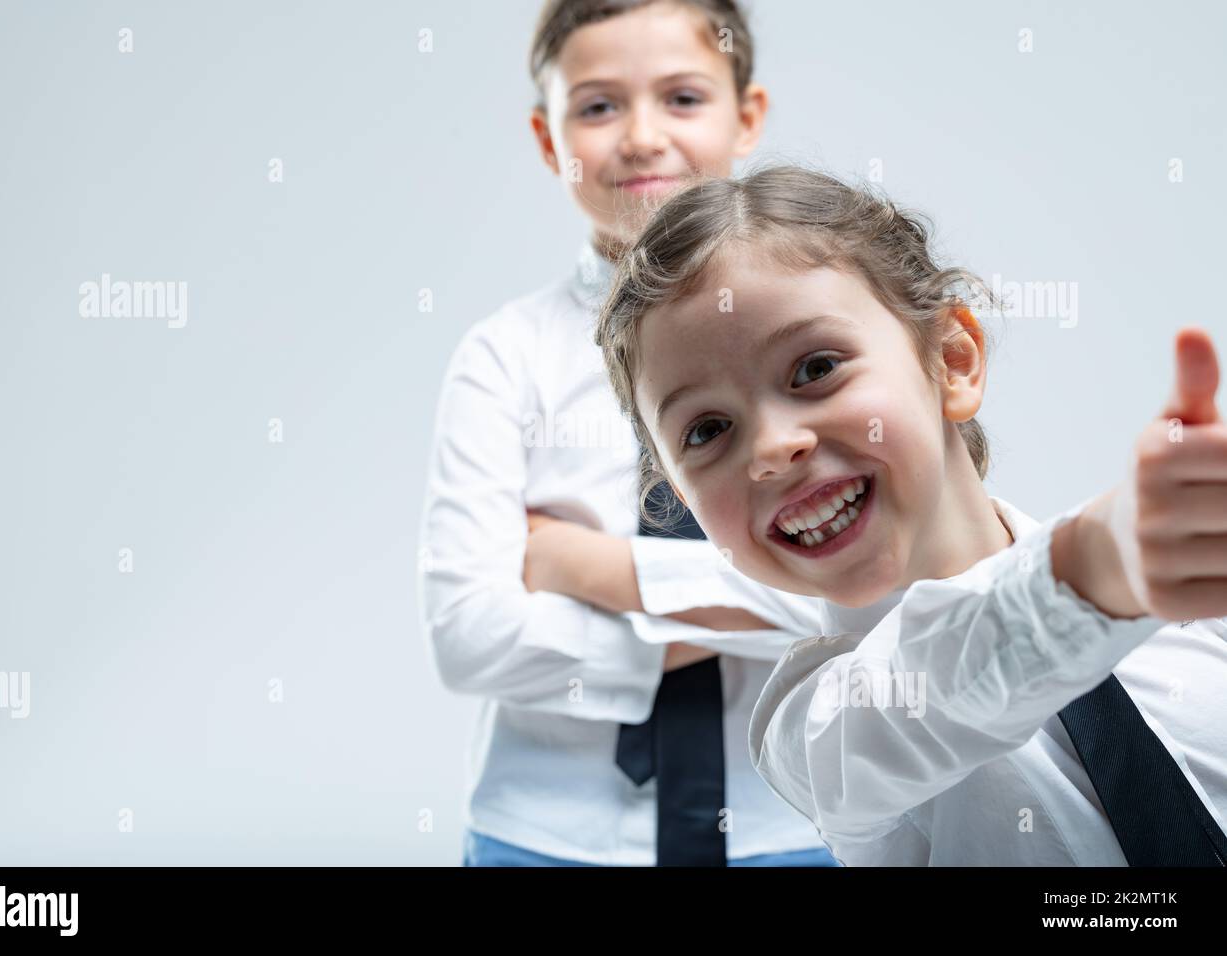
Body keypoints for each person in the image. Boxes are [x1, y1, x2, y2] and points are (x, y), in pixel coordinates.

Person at [570, 162, 1227, 865]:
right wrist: (1094, 576)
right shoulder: (816, 730)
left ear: (952, 358)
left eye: (815, 368)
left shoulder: (1187, 604)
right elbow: (947, 686)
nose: (771, 447)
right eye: (706, 432)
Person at [417, 0, 839, 867]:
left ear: (747, 116)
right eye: (599, 105)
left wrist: (587, 569)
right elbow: (468, 636)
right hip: (544, 836)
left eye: (683, 98)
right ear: (548, 139)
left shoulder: (821, 339)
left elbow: (859, 593)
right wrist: (760, 596)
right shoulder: (504, 357)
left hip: (795, 826)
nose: (642, 137)